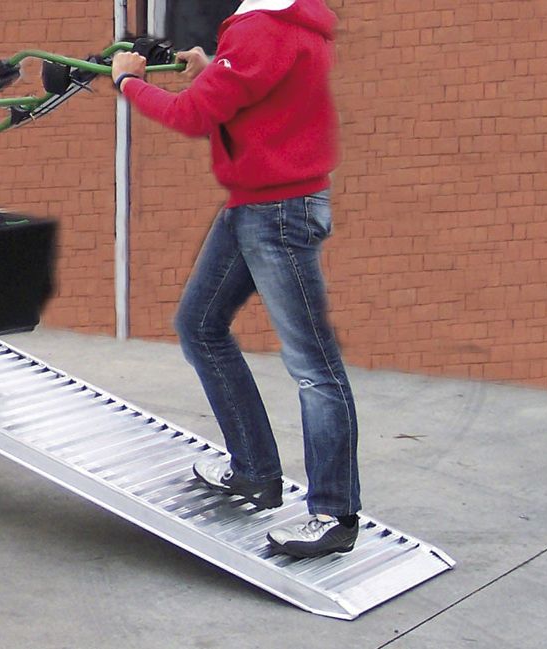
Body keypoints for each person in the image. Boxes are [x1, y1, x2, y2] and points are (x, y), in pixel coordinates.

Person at [111, 0, 360, 558]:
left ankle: (334, 515)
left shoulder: (260, 28)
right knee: (199, 325)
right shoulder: (293, 22)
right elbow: (254, 98)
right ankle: (253, 470)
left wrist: (128, 82)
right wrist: (211, 71)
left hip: (276, 213)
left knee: (315, 368)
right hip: (260, 203)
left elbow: (192, 117)